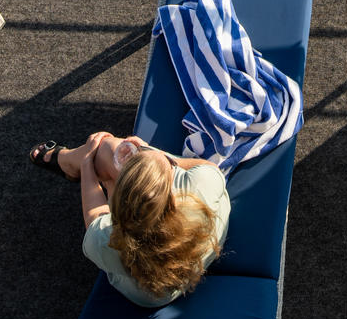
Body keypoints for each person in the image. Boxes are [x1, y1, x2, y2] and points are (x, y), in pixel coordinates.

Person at [29, 132, 230, 307]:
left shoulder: (105, 242)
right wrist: (157, 156)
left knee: (106, 149)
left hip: (150, 297)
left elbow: (95, 215)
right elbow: (207, 167)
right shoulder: (201, 187)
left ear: (117, 207)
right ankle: (90, 168)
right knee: (117, 152)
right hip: (192, 261)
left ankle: (70, 162)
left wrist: (87, 163)